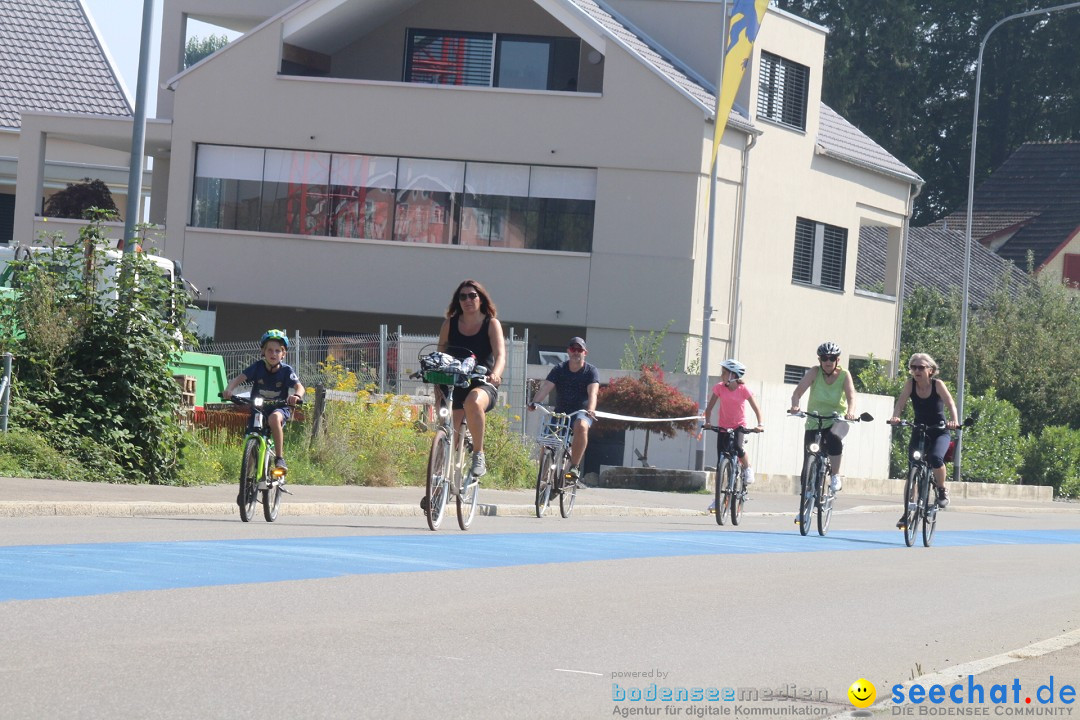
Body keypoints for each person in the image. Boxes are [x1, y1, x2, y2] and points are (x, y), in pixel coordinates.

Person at [438, 279, 505, 478]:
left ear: (481, 299)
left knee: (473, 402)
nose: (468, 300)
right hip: (454, 380)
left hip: (482, 382)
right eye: (463, 296)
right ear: (457, 301)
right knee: (449, 431)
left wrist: (496, 374)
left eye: (472, 295)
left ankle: (478, 453)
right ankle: (437, 482)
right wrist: (436, 378)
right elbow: (440, 350)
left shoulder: (491, 324)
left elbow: (500, 354)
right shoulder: (450, 323)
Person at [888, 352, 959, 527]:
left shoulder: (938, 385)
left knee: (935, 458)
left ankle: (942, 490)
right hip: (919, 430)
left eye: (921, 367)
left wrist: (954, 422)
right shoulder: (910, 384)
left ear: (931, 370)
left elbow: (950, 403)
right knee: (913, 467)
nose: (917, 371)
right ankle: (906, 512)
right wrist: (895, 417)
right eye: (913, 367)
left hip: (940, 431)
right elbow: (901, 403)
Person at [222, 329, 305, 475]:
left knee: (274, 418)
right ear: (263, 352)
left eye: (277, 351)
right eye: (270, 350)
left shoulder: (286, 371)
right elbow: (237, 380)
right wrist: (229, 390)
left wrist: (296, 396)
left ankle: (279, 458)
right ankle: (247, 482)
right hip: (259, 408)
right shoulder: (257, 367)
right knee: (251, 435)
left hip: (279, 408)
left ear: (283, 354)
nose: (273, 354)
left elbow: (299, 387)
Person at [788, 341, 857, 492]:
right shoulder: (814, 372)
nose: (828, 361)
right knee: (808, 462)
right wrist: (795, 406)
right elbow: (797, 393)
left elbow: (851, 397)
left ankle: (835, 475)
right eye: (824, 358)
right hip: (815, 420)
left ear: (837, 360)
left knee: (833, 439)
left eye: (832, 358)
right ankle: (805, 505)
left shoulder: (845, 375)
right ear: (819, 360)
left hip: (836, 420)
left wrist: (850, 412)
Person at [528, 336, 599, 483]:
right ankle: (543, 476)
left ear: (585, 352)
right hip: (561, 412)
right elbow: (546, 387)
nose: (576, 352)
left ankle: (574, 467)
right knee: (547, 440)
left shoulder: (591, 371)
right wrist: (534, 402)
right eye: (573, 349)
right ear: (568, 351)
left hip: (581, 412)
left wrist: (591, 410)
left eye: (579, 349)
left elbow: (593, 393)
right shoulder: (559, 369)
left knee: (581, 426)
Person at [703, 358, 764, 512]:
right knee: (720, 464)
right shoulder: (719, 388)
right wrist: (708, 422)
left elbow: (757, 409)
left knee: (737, 447)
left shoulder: (744, 390)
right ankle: (718, 500)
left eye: (724, 372)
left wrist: (759, 424)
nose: (721, 375)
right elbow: (709, 408)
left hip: (739, 426)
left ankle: (747, 467)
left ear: (733, 375)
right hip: (723, 426)